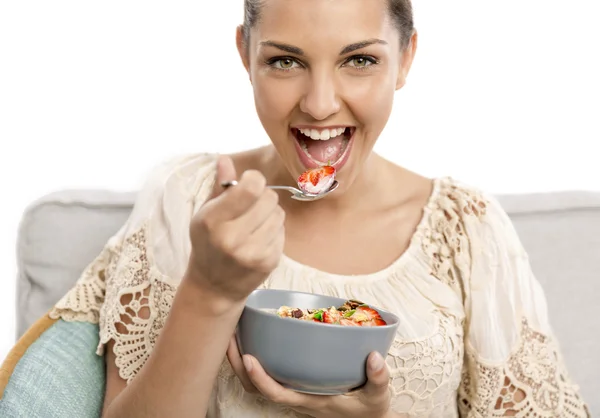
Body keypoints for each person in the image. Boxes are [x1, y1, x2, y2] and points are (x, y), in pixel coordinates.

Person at [49, 0, 590, 417]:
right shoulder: (188, 199)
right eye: (286, 61)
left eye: (360, 60)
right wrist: (209, 292)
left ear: (405, 59)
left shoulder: (468, 231)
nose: (321, 103)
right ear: (245, 55)